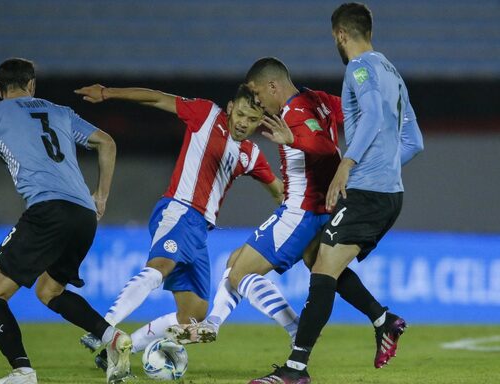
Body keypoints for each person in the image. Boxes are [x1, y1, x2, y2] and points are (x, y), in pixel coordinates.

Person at [169, 57, 396, 350]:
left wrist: (296, 140)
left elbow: (326, 149)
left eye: (258, 93)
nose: (258, 102)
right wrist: (386, 116)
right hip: (321, 209)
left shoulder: (294, 114)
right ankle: (382, 318)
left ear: (272, 86)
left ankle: (296, 332)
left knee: (241, 274)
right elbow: (356, 114)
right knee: (317, 265)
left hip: (301, 212)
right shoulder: (317, 99)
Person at [249, 3, 424, 383]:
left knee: (323, 268)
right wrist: (383, 169)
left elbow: (374, 117)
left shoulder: (359, 68)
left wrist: (350, 165)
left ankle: (296, 369)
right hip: (387, 193)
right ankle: (383, 320)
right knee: (321, 260)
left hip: (367, 194)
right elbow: (414, 141)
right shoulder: (391, 71)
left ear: (340, 35)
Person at [0, 58, 131, 384]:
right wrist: (101, 196)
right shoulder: (60, 111)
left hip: (47, 211)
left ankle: (23, 372)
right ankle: (112, 338)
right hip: (84, 215)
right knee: (50, 291)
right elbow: (107, 143)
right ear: (32, 85)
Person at [74, 83, 283, 369]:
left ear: (260, 122)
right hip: (178, 209)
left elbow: (278, 191)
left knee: (193, 316)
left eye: (252, 120)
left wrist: (307, 209)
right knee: (160, 267)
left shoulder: (251, 154)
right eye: (242, 115)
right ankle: (103, 327)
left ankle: (118, 352)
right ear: (231, 107)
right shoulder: (206, 114)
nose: (244, 124)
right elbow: (157, 99)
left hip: (200, 231)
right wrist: (108, 93)